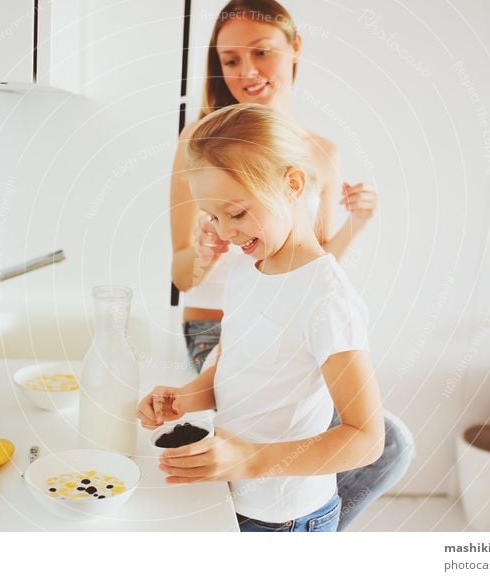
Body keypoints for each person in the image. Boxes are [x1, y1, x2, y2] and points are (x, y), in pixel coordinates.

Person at [168, 0, 414, 530]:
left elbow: (315, 268)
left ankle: (313, 523)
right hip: (218, 326)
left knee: (385, 440)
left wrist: (356, 225)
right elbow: (189, 281)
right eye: (229, 59)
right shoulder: (206, 157)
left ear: (294, 49)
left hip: (281, 502)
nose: (246, 72)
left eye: (261, 52)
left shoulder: (318, 161)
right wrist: (203, 253)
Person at [143, 103, 385, 532]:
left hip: (287, 519)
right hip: (235, 495)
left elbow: (366, 439)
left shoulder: (327, 299)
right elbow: (235, 366)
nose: (224, 233)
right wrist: (186, 397)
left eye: (236, 213)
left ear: (292, 184)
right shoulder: (246, 268)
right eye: (213, 217)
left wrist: (249, 458)